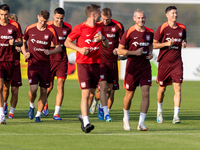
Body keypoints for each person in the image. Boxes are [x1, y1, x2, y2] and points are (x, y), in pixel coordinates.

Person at [65, 4, 109, 133]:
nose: (101, 15)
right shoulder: (80, 28)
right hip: (83, 64)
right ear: (93, 14)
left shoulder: (100, 27)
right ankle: (86, 122)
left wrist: (103, 38)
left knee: (91, 94)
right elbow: (67, 42)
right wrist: (79, 49)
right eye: (99, 13)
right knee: (85, 94)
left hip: (96, 64)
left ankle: (83, 117)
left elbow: (106, 45)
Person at [21, 10, 61, 122]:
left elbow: (59, 47)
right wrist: (25, 53)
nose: (42, 23)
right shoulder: (30, 28)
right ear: (38, 17)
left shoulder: (51, 30)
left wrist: (51, 52)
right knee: (33, 89)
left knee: (44, 91)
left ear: (47, 20)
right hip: (33, 64)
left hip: (45, 66)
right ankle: (32, 105)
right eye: (41, 20)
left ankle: (38, 115)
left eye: (45, 21)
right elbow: (23, 42)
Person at [118, 9, 154, 131]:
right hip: (132, 68)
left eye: (143, 17)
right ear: (134, 18)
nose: (141, 20)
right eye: (138, 18)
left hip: (145, 68)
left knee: (146, 94)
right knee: (129, 94)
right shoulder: (128, 32)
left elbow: (150, 45)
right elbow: (120, 50)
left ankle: (141, 123)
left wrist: (151, 54)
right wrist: (134, 53)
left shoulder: (150, 32)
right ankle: (126, 118)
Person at [153, 6, 187, 124]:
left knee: (177, 88)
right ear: (167, 15)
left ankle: (176, 116)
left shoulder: (182, 28)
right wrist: (166, 44)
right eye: (173, 13)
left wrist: (184, 43)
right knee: (162, 89)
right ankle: (159, 110)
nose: (175, 15)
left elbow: (184, 39)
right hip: (164, 64)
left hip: (177, 63)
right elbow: (154, 45)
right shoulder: (162, 28)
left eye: (176, 13)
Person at [89, 8, 124, 119]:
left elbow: (123, 42)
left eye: (107, 19)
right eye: (103, 19)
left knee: (111, 91)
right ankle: (105, 113)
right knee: (103, 88)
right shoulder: (97, 25)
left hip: (113, 61)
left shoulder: (118, 26)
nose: (105, 21)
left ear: (111, 16)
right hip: (101, 62)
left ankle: (100, 105)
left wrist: (119, 51)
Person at [42, 7, 72, 120]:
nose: (59, 20)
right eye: (57, 18)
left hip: (62, 60)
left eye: (61, 18)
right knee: (49, 87)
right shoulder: (48, 26)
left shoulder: (68, 27)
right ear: (54, 16)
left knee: (61, 85)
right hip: (49, 60)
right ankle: (45, 103)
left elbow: (70, 41)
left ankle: (56, 113)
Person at [0, 4, 23, 124]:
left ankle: (11, 112)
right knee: (0, 87)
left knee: (10, 89)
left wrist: (14, 43)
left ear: (8, 14)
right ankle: (1, 115)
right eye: (1, 15)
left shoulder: (15, 26)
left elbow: (21, 42)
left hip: (12, 61)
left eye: (5, 15)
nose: (3, 17)